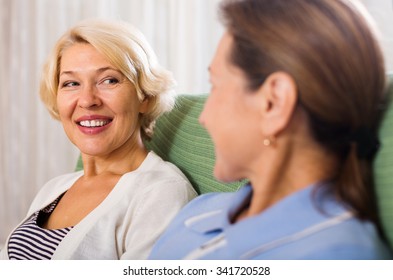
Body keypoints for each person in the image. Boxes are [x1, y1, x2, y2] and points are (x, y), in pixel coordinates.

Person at [149, 0, 393, 259]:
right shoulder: (199, 210)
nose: (204, 118)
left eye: (215, 86)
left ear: (274, 102)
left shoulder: (337, 257)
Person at [0, 19, 197, 260]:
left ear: (144, 96)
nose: (87, 100)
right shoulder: (54, 189)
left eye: (109, 80)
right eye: (71, 83)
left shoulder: (160, 193)